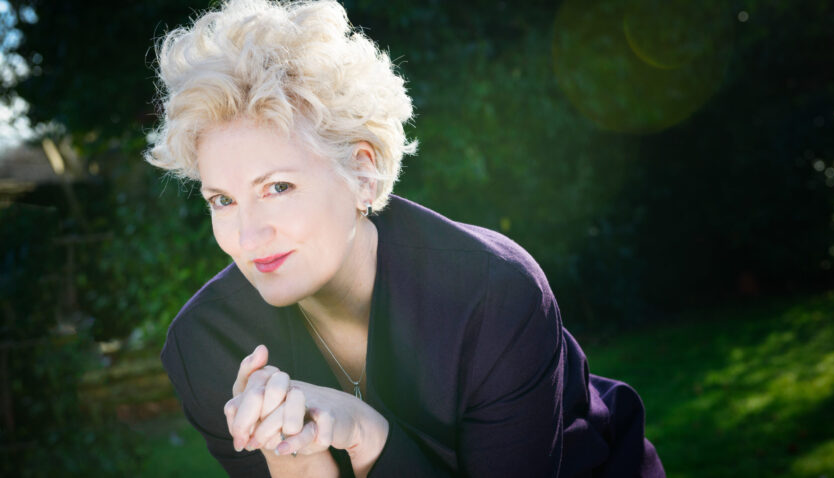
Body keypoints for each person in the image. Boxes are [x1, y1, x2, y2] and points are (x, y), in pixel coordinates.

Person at [146, 0, 666, 477]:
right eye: (222, 200)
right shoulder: (206, 347)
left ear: (363, 175)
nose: (248, 234)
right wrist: (297, 463)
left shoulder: (494, 295)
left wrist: (367, 435)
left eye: (278, 187)